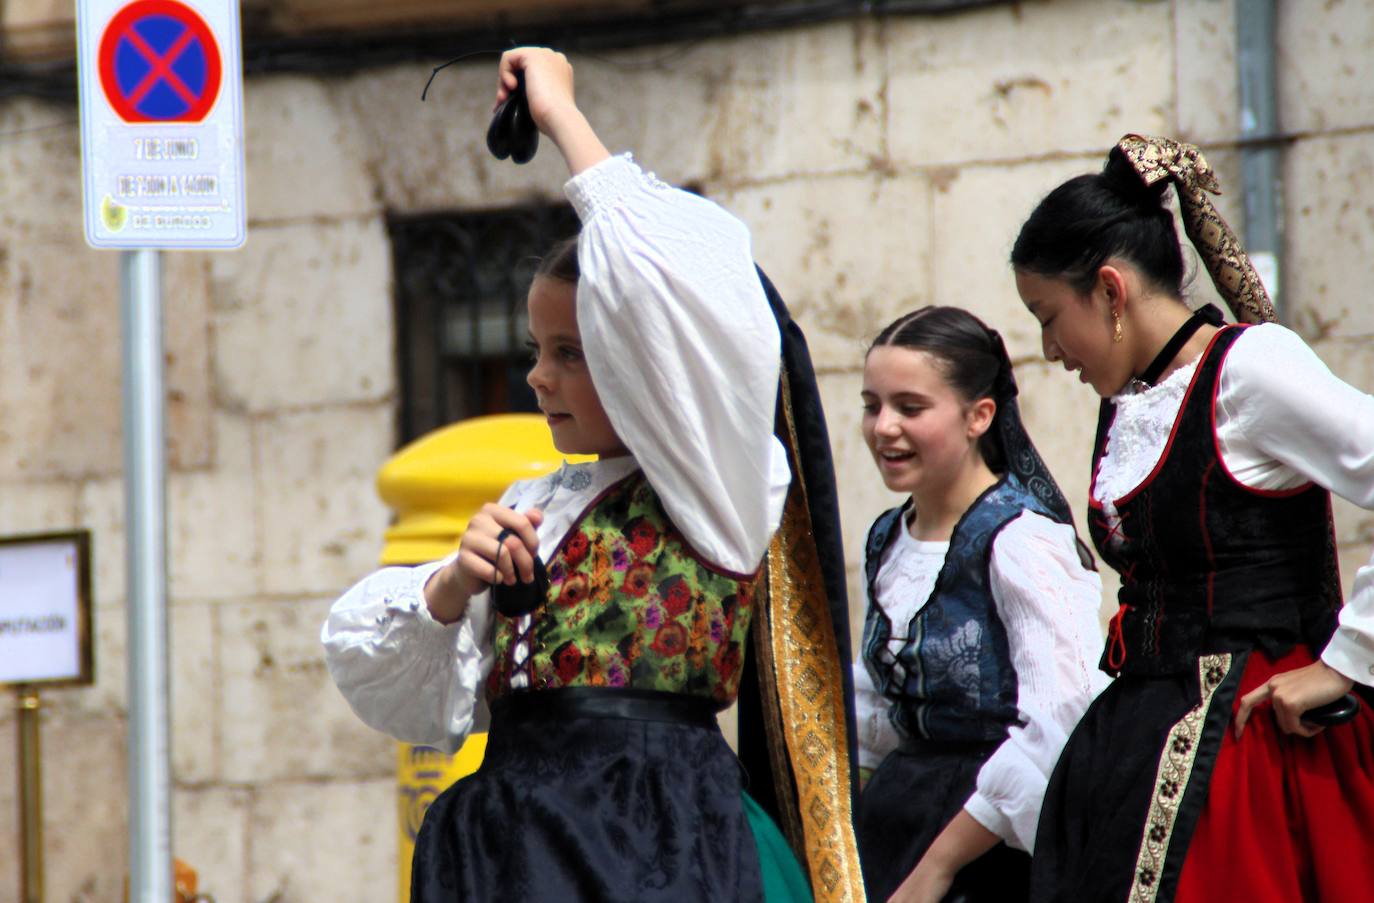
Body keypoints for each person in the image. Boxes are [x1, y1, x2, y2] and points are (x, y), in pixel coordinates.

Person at [321, 47, 862, 902]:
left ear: (644, 362)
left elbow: (673, 287)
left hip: (657, 841)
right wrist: (451, 585)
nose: (539, 376)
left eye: (571, 353)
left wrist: (563, 118)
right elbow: (400, 691)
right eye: (539, 351)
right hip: (516, 847)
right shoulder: (534, 500)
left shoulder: (712, 484)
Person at [1011, 134, 1374, 903]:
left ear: (1110, 290)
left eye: (1049, 317)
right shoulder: (1136, 399)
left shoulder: (1249, 370)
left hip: (1253, 760)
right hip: (1135, 749)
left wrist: (1349, 657)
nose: (1048, 349)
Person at [851, 306, 1107, 903]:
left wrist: (936, 868)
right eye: (872, 404)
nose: (884, 426)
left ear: (979, 416)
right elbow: (875, 712)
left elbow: (1060, 719)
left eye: (910, 407)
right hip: (895, 831)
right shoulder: (887, 536)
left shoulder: (1021, 540)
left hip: (989, 846)